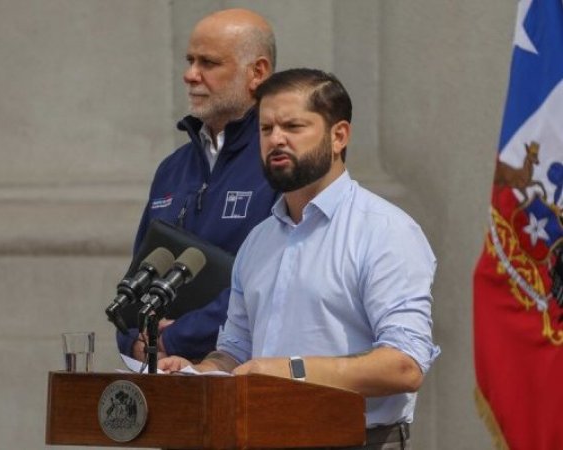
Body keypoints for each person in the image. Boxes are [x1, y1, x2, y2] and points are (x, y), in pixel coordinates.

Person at [159, 68, 440, 449]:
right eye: (266, 129)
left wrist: (291, 370)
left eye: (293, 126)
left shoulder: (385, 230)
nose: (276, 139)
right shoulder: (258, 240)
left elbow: (405, 365)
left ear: (339, 136)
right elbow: (236, 353)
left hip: (357, 441)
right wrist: (198, 372)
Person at [116, 9, 278, 361]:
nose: (190, 75)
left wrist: (176, 339)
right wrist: (132, 337)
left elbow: (271, 281)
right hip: (161, 370)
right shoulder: (172, 169)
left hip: (239, 372)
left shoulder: (279, 164)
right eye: (190, 61)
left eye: (208, 63)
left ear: (258, 73)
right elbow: (140, 271)